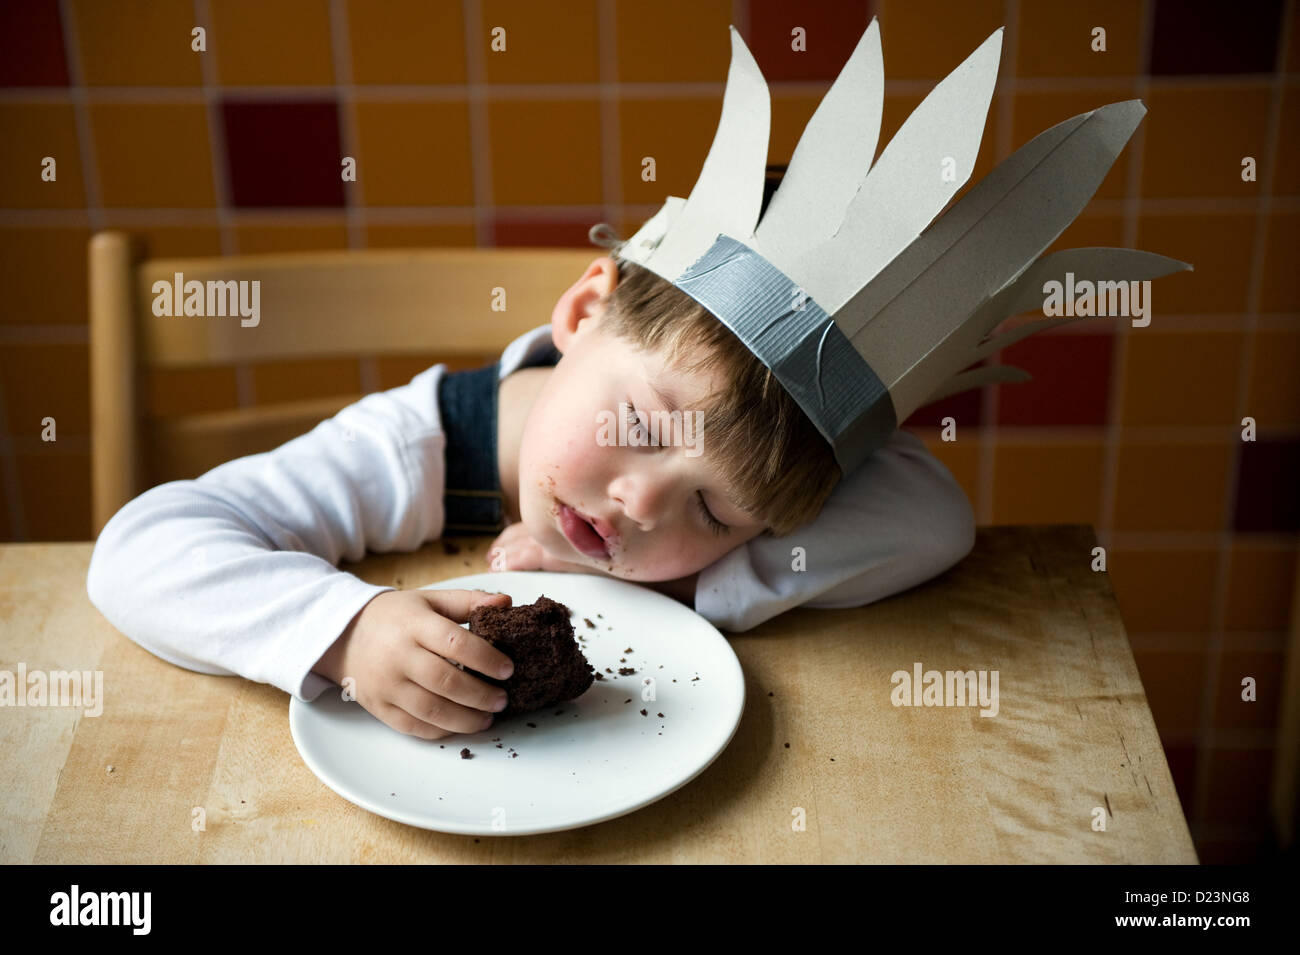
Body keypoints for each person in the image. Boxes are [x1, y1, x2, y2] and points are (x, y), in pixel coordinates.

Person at [85, 248, 975, 741]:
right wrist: (348, 633)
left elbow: (935, 517)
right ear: (586, 313)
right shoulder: (407, 446)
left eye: (714, 511)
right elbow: (139, 547)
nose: (641, 503)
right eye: (645, 423)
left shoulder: (669, 522)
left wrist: (674, 581)